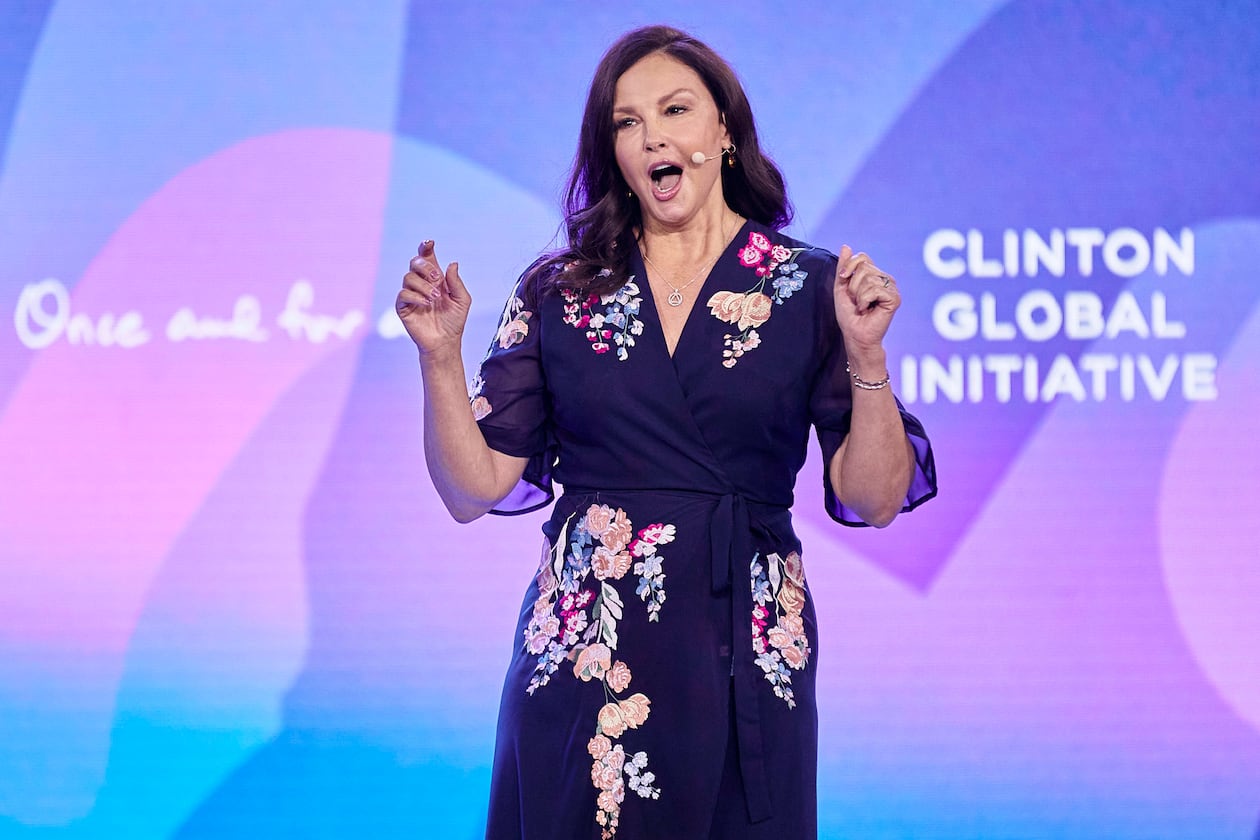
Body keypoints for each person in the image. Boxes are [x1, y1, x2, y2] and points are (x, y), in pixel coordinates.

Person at [396, 24, 936, 840]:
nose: (652, 136)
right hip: (588, 662)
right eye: (626, 122)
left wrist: (867, 356)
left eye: (675, 109)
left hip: (745, 665)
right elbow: (474, 489)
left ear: (723, 129)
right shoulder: (561, 291)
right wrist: (440, 358)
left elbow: (877, 497)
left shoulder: (808, 286)